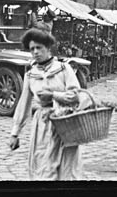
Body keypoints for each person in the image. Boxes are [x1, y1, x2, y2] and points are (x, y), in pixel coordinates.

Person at [8, 28, 85, 179]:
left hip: (65, 123)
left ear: (48, 48)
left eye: (39, 48)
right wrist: (15, 133)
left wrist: (54, 95)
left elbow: (76, 95)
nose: (35, 52)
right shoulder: (30, 75)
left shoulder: (63, 69)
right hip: (42, 126)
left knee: (67, 169)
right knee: (43, 167)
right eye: (32, 49)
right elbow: (23, 104)